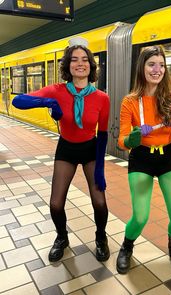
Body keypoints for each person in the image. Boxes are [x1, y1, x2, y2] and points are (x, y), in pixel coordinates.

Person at [12, 37, 110, 263]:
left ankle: (101, 237)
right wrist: (47, 103)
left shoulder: (102, 98)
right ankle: (62, 238)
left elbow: (103, 134)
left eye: (85, 59)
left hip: (90, 149)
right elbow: (19, 101)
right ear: (67, 65)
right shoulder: (56, 91)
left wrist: (100, 170)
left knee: (100, 202)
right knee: (56, 203)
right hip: (66, 148)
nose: (80, 63)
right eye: (74, 60)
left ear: (91, 66)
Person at [116, 45, 171, 274]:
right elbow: (121, 140)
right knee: (141, 216)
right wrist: (131, 140)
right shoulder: (130, 102)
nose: (157, 70)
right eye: (152, 64)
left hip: (168, 158)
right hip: (142, 158)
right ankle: (126, 246)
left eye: (162, 65)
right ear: (142, 68)